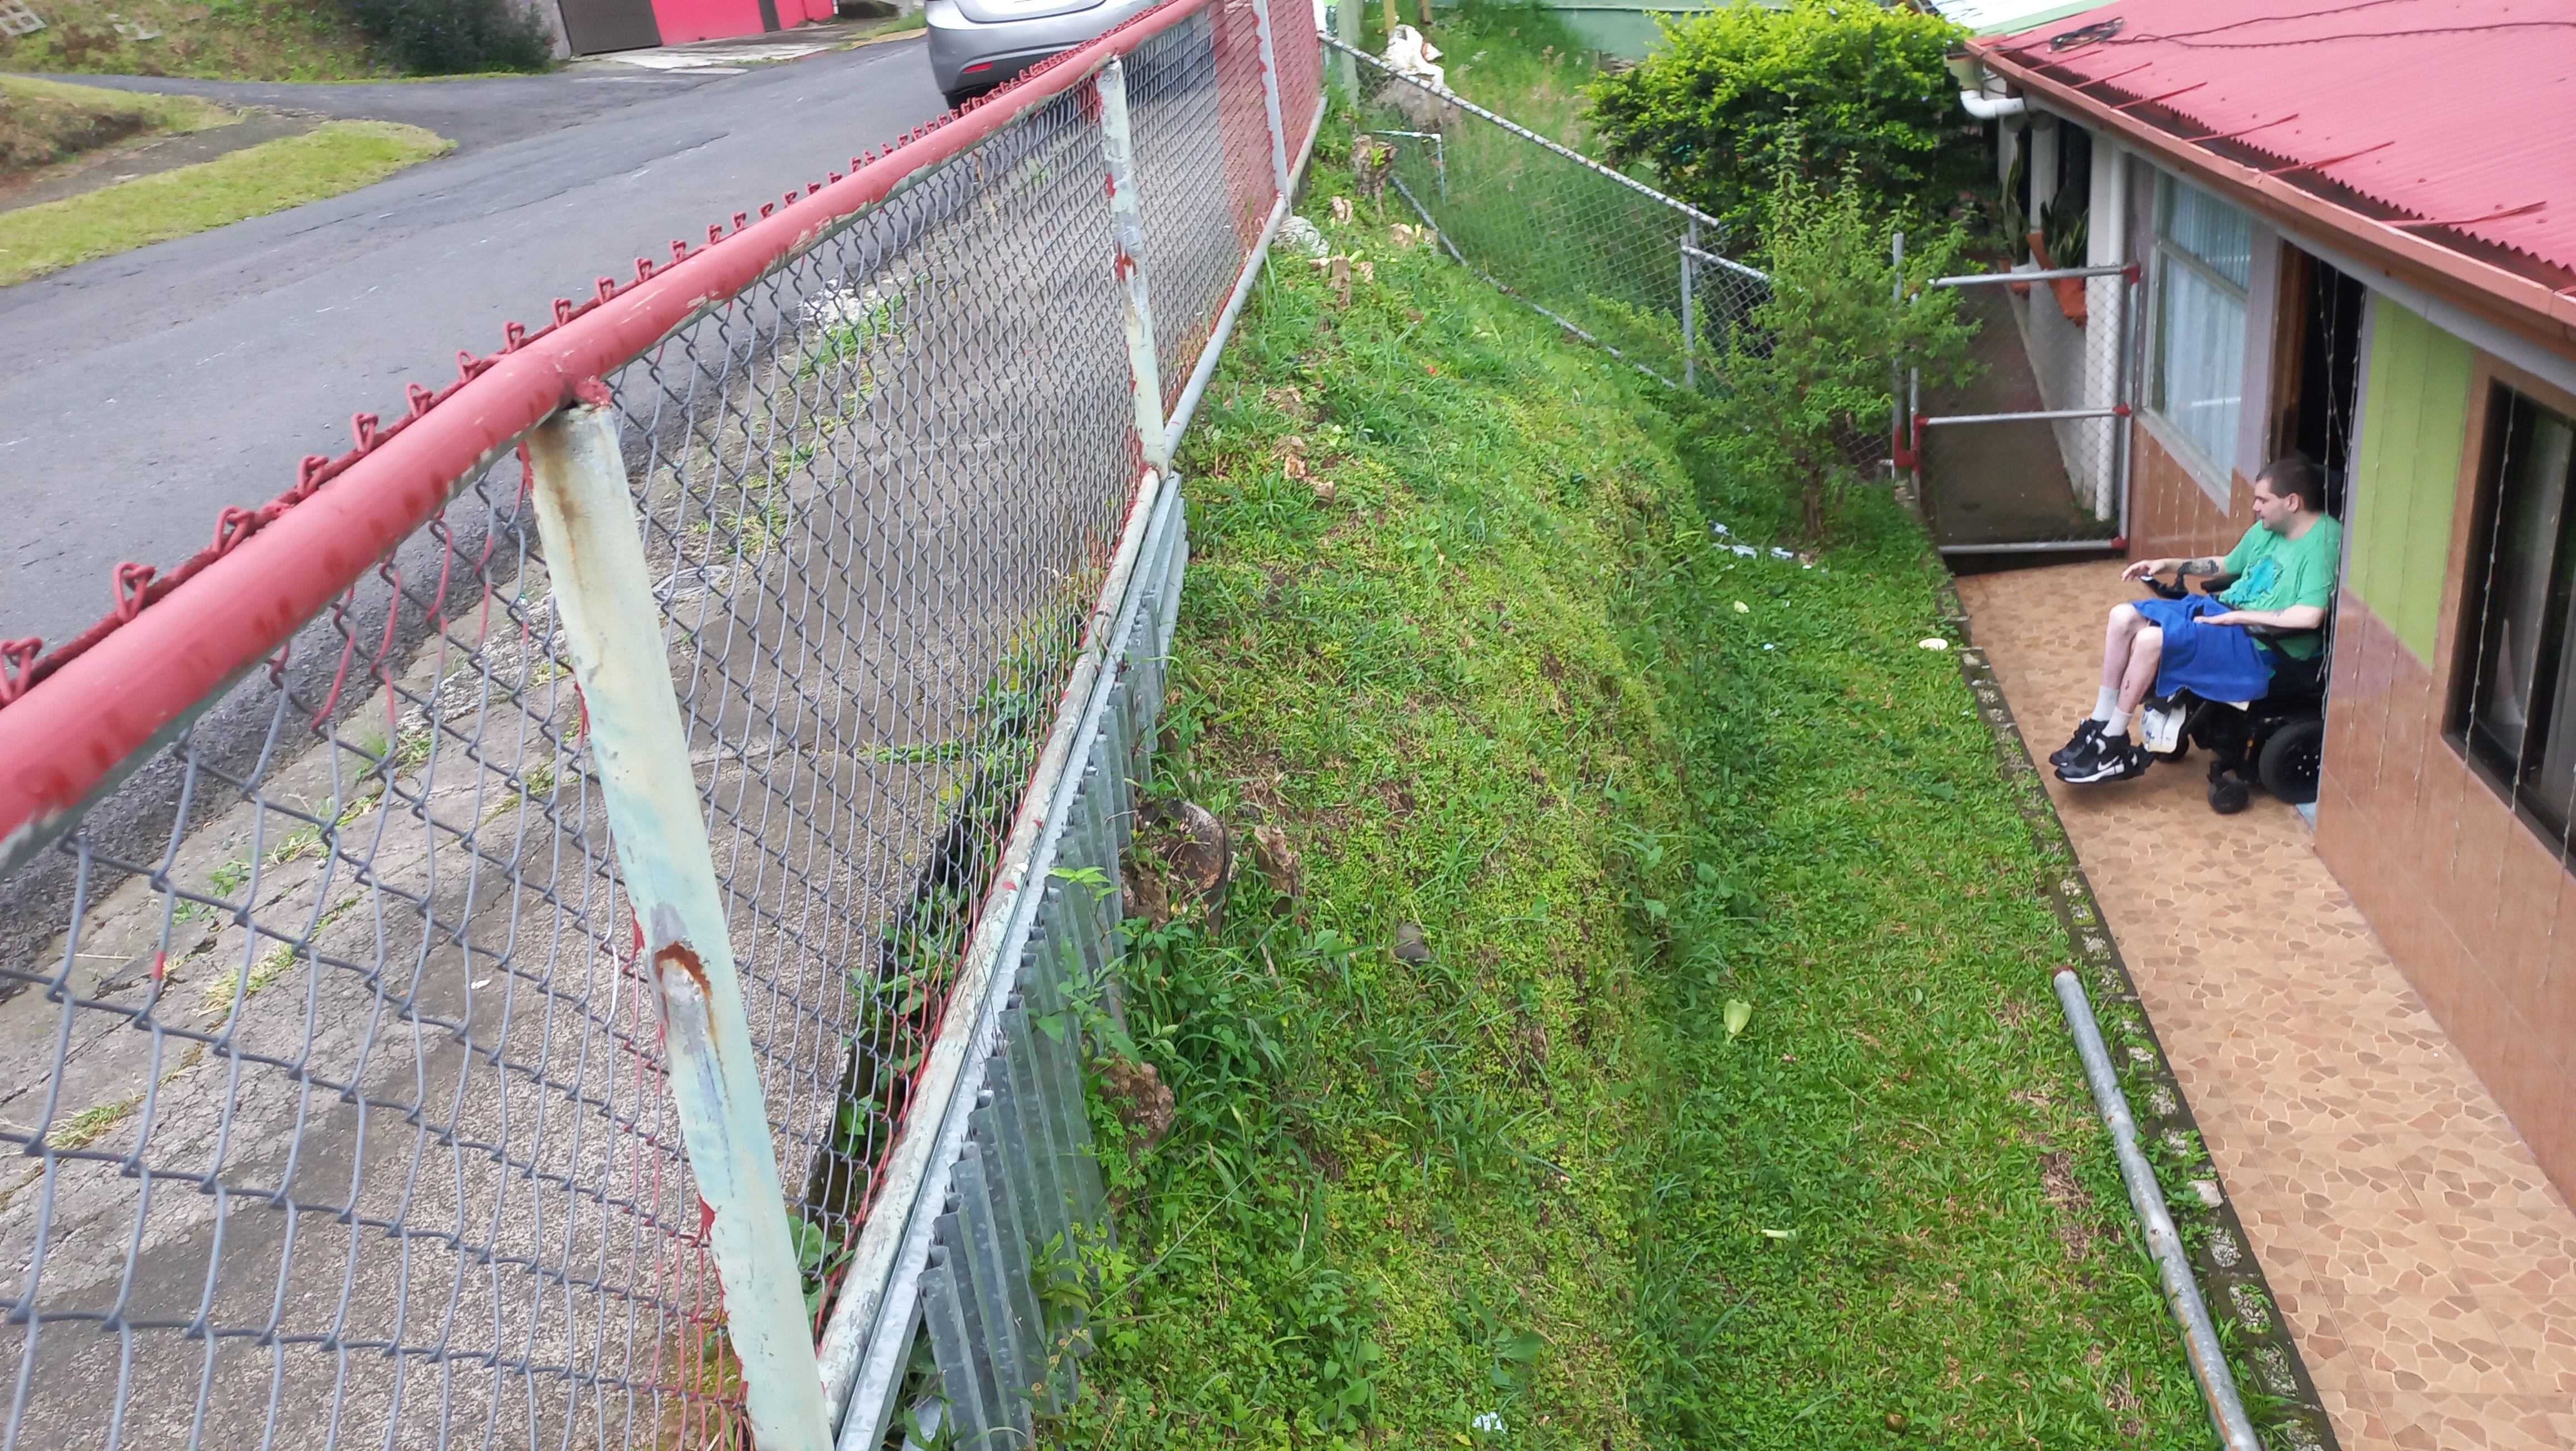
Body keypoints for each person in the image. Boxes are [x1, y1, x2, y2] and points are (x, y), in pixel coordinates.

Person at [2053, 455, 2341, 785]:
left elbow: (2310, 616)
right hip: (2224, 615)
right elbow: (2227, 564)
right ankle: (2101, 720)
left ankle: (2114, 741)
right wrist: (2168, 564)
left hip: (2260, 645)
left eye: (2263, 500)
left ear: (2292, 502)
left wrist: (2236, 617)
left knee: (2151, 639)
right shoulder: (2269, 529)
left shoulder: (2323, 543)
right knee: (2122, 616)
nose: (2255, 507)